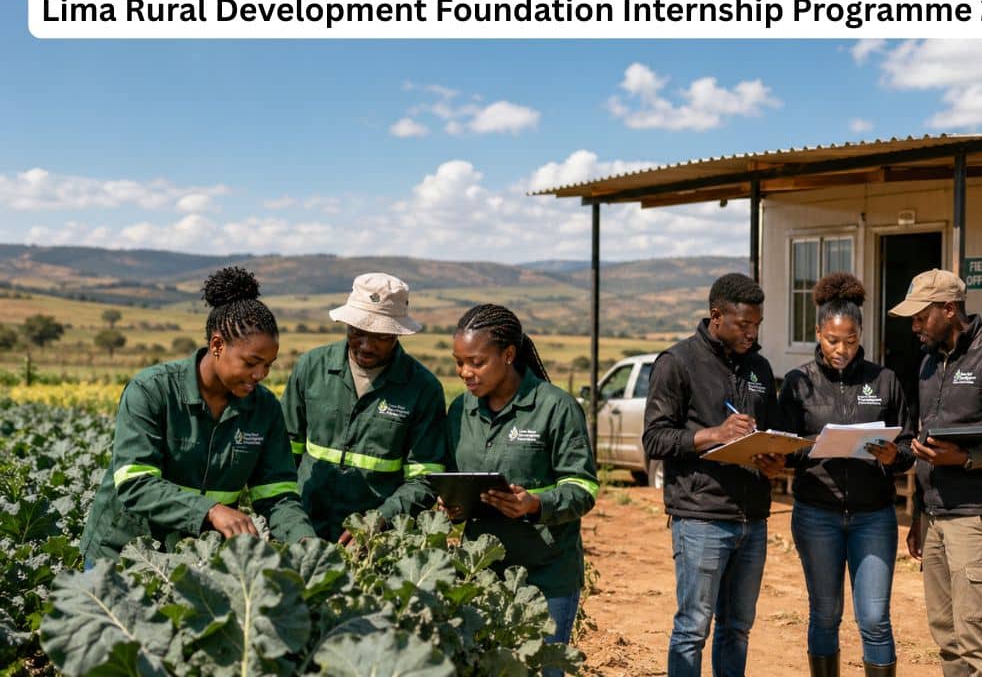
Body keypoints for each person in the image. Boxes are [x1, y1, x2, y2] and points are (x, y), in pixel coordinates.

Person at [81, 267, 314, 563]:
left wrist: (303, 539)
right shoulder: (152, 390)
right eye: (252, 362)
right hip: (122, 551)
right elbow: (135, 482)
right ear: (217, 345)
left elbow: (277, 493)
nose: (261, 375)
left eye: (269, 364)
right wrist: (211, 511)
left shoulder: (264, 407)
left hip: (197, 558)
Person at [890, 269, 982, 677]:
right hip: (936, 517)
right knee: (947, 637)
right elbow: (927, 441)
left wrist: (968, 458)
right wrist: (920, 515)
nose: (915, 326)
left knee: (976, 639)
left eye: (921, 317)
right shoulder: (928, 364)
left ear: (949, 309)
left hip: (976, 517)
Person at [643, 272, 786, 677]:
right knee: (692, 628)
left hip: (753, 519)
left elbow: (766, 431)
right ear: (716, 316)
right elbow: (654, 439)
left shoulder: (759, 367)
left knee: (737, 629)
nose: (751, 333)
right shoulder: (677, 363)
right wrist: (713, 435)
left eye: (757, 324)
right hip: (700, 518)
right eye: (743, 325)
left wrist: (771, 460)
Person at [445, 303, 598, 665]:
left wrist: (535, 504)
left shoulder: (555, 407)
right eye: (459, 362)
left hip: (547, 574)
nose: (466, 372)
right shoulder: (458, 411)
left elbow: (583, 487)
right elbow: (451, 477)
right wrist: (448, 503)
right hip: (480, 574)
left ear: (509, 355)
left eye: (477, 362)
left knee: (542, 670)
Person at [780, 274, 915, 677]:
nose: (841, 350)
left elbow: (908, 447)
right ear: (817, 332)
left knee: (874, 619)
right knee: (824, 614)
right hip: (815, 513)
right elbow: (780, 449)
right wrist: (810, 446)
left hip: (874, 517)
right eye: (832, 340)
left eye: (851, 341)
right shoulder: (797, 383)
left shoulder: (884, 380)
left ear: (861, 335)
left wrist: (894, 455)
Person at [283, 273, 447, 544]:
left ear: (397, 332)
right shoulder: (311, 368)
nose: (366, 345)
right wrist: (294, 525)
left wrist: (379, 521)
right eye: (357, 332)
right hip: (306, 530)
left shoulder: (423, 388)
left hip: (378, 544)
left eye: (380, 336)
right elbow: (284, 456)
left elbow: (425, 478)